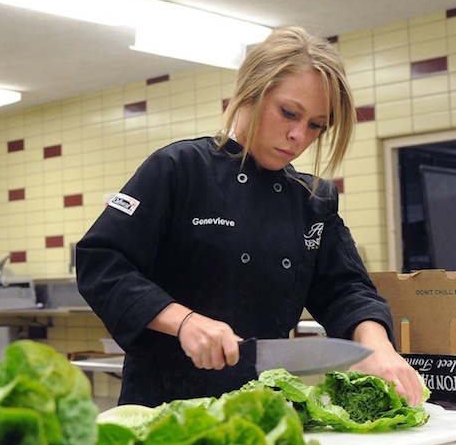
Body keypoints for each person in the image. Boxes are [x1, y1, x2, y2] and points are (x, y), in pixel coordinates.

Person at [76, 26, 425, 408]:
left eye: (315, 125)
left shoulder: (312, 199)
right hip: (166, 408)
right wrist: (184, 321)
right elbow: (103, 262)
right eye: (289, 113)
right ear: (250, 93)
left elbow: (347, 290)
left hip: (265, 408)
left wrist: (376, 346)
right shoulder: (178, 169)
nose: (298, 136)